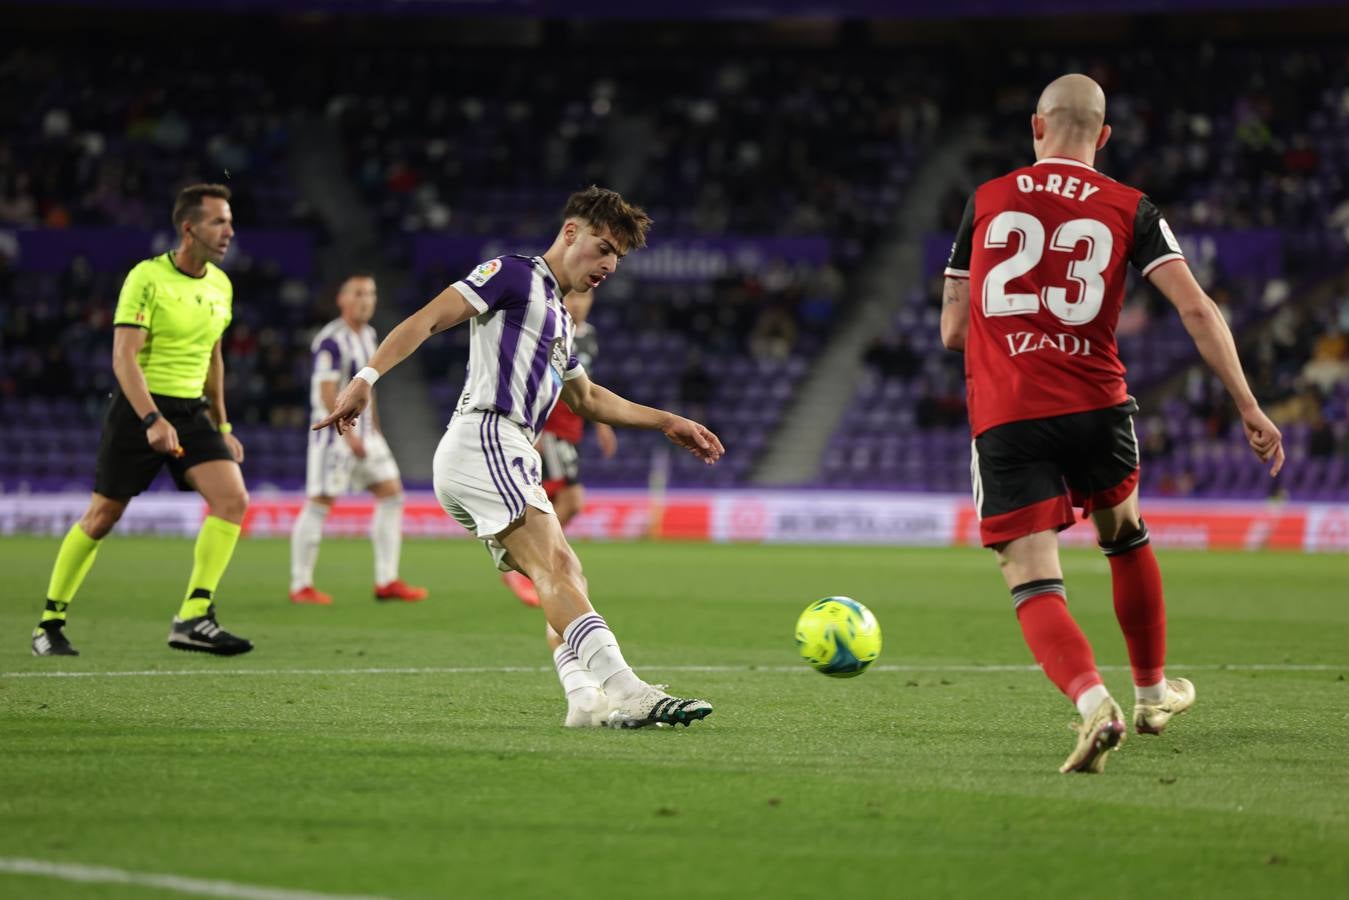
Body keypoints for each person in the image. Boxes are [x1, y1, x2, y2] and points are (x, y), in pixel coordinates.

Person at [940, 75, 1284, 773]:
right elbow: (1194, 309)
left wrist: (1015, 332)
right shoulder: (1131, 206)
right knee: (1124, 535)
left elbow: (951, 330)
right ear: (1102, 137)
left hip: (1009, 409)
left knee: (1031, 575)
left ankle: (1094, 703)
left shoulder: (985, 200)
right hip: (1098, 403)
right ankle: (1154, 694)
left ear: (1036, 128)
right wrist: (1247, 404)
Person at [316, 186, 723, 729]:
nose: (608, 265)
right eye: (602, 248)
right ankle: (630, 691)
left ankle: (583, 697)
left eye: (617, 259)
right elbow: (430, 318)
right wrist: (367, 377)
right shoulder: (514, 274)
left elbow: (589, 398)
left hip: (504, 449)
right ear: (571, 233)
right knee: (555, 566)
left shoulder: (558, 315)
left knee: (565, 573)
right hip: (485, 435)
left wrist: (668, 420)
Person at [31, 184, 254, 657]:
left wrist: (224, 426)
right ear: (188, 228)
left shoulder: (221, 284)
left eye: (230, 221)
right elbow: (123, 358)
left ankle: (194, 615)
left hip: (191, 412)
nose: (229, 230)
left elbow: (214, 358)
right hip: (140, 408)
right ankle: (49, 622)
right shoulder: (146, 278)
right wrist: (151, 417)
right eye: (218, 221)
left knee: (233, 499)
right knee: (103, 516)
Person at [289, 274, 429, 605]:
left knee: (392, 495)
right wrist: (349, 434)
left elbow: (368, 389)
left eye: (371, 293)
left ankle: (386, 580)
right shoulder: (331, 340)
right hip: (334, 437)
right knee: (320, 503)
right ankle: (301, 585)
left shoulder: (368, 335)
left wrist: (374, 428)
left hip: (366, 434)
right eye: (359, 293)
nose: (367, 300)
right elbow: (326, 393)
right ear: (342, 300)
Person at [500, 289, 617, 607]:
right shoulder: (554, 332)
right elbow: (534, 382)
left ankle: (534, 561)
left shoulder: (589, 336)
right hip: (550, 429)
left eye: (586, 298)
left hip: (572, 430)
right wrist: (533, 430)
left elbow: (588, 385)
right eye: (574, 298)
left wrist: (603, 426)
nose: (579, 303)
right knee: (571, 500)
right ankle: (529, 563)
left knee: (548, 502)